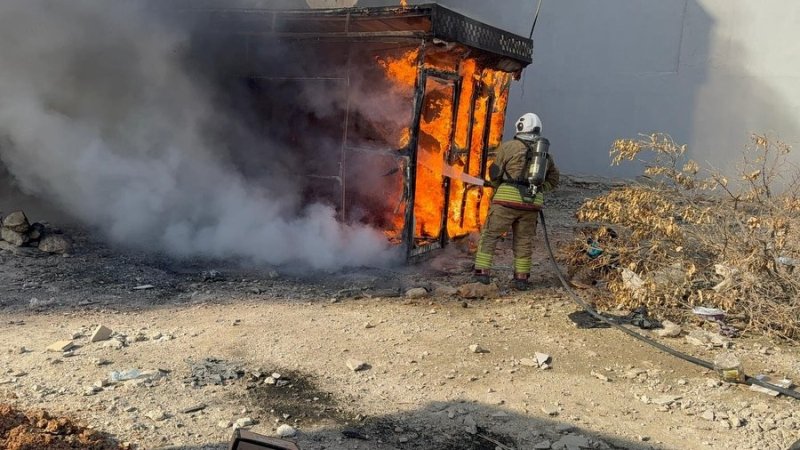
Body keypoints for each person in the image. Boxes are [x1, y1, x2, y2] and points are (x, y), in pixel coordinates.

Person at [473, 113, 560, 290]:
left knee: (490, 235)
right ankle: (521, 279)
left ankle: (482, 274)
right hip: (532, 204)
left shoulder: (508, 147)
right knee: (524, 241)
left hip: (506, 201)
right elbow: (554, 180)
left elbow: (495, 173)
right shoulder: (544, 155)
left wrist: (497, 185)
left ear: (520, 127)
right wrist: (539, 189)